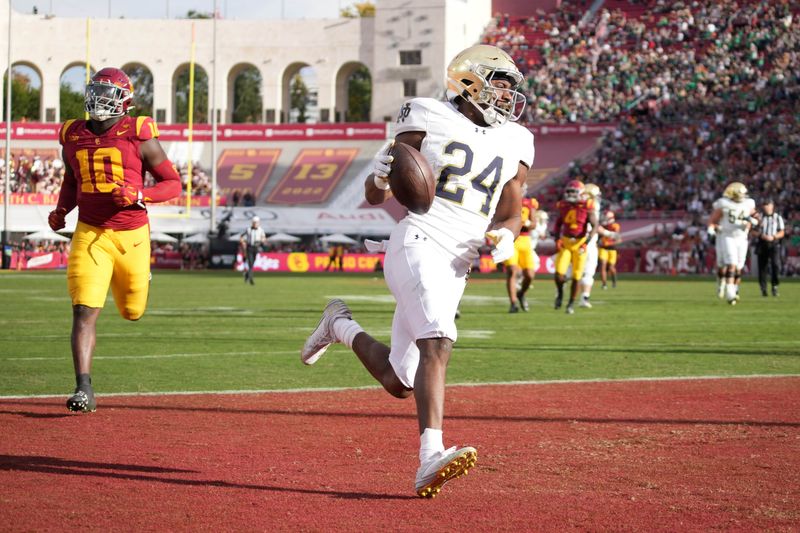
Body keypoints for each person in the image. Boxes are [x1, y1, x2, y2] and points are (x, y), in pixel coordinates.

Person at [300, 44, 533, 498]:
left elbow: (511, 212)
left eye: (510, 88)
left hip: (458, 262)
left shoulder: (517, 138)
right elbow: (375, 195)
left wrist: (506, 236)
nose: (507, 95)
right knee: (438, 341)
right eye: (499, 83)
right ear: (468, 81)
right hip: (419, 240)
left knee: (400, 381)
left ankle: (339, 324)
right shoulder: (427, 113)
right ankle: (431, 456)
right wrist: (379, 175)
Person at [47, 67, 181, 412]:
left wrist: (140, 194)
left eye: (108, 92)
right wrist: (62, 209)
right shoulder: (72, 135)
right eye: (96, 90)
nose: (99, 98)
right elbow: (71, 180)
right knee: (83, 311)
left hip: (132, 235)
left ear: (125, 100)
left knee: (132, 311)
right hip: (90, 233)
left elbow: (172, 183)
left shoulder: (139, 134)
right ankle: (83, 388)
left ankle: (141, 277)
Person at [552, 180, 599, 314]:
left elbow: (595, 225)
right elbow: (558, 223)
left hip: (580, 244)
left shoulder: (587, 205)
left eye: (573, 191)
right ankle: (560, 294)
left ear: (581, 193)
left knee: (577, 276)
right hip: (566, 243)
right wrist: (557, 238)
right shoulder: (563, 205)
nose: (570, 194)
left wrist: (587, 242)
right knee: (559, 274)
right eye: (569, 191)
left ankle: (571, 303)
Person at [707, 182, 757, 305]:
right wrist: (711, 229)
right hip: (727, 236)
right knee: (731, 263)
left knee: (739, 267)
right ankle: (729, 292)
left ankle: (734, 289)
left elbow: (756, 216)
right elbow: (713, 220)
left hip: (742, 237)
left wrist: (753, 221)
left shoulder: (748, 203)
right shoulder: (724, 203)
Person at [503, 196, 538, 312]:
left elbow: (534, 225)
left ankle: (521, 293)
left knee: (529, 275)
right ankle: (513, 303)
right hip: (510, 238)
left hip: (525, 240)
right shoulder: (506, 199)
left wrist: (526, 223)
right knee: (512, 270)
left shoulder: (529, 202)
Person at [753, 198, 785, 297]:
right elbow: (752, 231)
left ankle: (774, 286)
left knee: (776, 265)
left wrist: (774, 236)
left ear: (772, 206)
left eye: (768, 204)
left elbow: (782, 232)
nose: (766, 207)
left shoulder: (777, 217)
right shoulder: (759, 217)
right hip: (762, 243)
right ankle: (763, 288)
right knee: (762, 267)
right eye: (765, 205)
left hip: (774, 244)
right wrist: (760, 235)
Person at [578, 183, 602, 308]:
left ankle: (582, 297)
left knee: (580, 272)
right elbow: (595, 226)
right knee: (586, 272)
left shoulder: (579, 204)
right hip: (588, 242)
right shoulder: (591, 206)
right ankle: (583, 298)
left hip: (578, 241)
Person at [598, 210, 622, 289]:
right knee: (602, 266)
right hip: (603, 249)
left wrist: (608, 243)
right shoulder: (601, 226)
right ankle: (604, 284)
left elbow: (618, 239)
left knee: (611, 267)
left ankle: (614, 281)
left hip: (612, 249)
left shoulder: (615, 226)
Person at [240, 216, 266, 285]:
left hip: (256, 248)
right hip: (249, 247)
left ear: (258, 223)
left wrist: (262, 240)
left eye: (256, 222)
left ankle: (247, 275)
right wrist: (243, 242)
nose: (255, 224)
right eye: (254, 222)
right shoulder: (248, 229)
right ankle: (251, 279)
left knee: (252, 263)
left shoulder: (261, 230)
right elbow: (241, 236)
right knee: (250, 263)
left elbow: (263, 238)